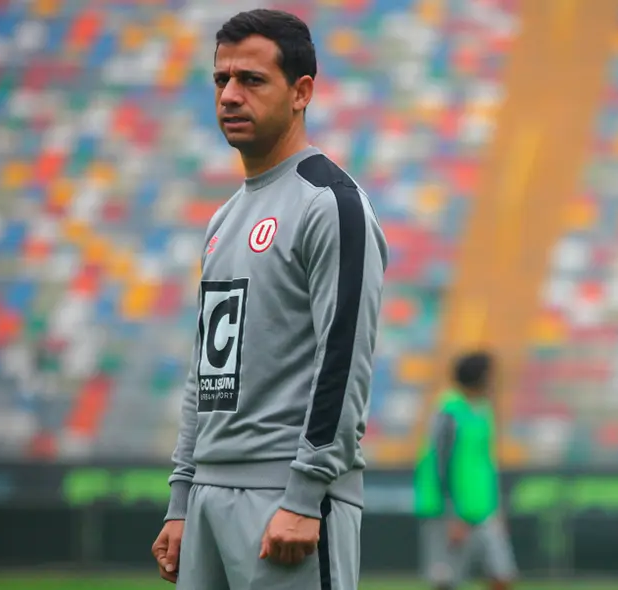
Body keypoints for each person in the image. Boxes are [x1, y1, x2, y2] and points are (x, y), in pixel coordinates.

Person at [150, 9, 388, 590]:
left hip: (286, 498)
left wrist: (306, 493)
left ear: (301, 92)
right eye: (221, 79)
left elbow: (344, 360)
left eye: (251, 80)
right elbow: (206, 370)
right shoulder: (223, 220)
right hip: (208, 499)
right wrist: (183, 497)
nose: (230, 95)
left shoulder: (330, 203)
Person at [413, 352, 518, 590]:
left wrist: (496, 507)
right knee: (446, 580)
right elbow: (441, 464)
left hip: (483, 509)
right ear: (479, 377)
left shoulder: (484, 410)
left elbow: (486, 463)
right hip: (450, 512)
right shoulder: (449, 411)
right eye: (491, 375)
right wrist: (452, 514)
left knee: (502, 573)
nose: (495, 382)